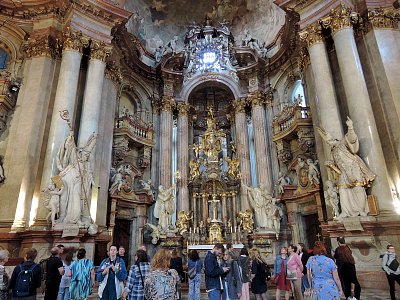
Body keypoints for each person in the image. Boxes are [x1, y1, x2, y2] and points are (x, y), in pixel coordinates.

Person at [317, 117, 376, 218]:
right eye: (327, 142)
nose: (328, 143)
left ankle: (361, 210)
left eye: (329, 140)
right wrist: (330, 165)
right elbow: (333, 165)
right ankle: (345, 212)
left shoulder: (342, 143)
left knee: (358, 188)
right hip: (343, 173)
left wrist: (350, 127)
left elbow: (352, 140)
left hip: (353, 169)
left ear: (333, 139)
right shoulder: (333, 151)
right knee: (342, 191)